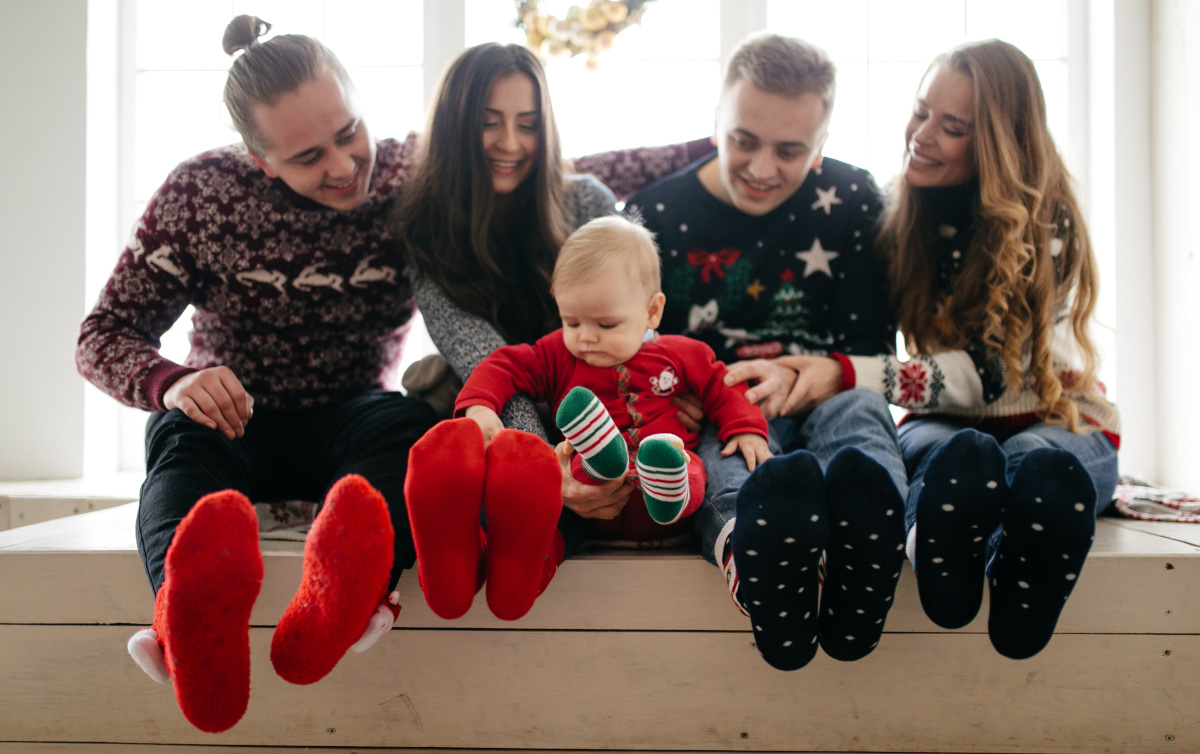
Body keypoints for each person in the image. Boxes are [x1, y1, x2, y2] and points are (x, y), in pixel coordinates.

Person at [75, 16, 438, 733]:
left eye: (350, 132)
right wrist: (173, 381)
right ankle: (181, 622)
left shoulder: (411, 174)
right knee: (180, 438)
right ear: (260, 160)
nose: (342, 165)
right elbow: (102, 335)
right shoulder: (201, 194)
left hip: (352, 415)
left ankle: (357, 596)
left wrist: (718, 146)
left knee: (410, 426)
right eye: (308, 156)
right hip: (232, 422)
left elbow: (558, 166)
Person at [789, 39, 1119, 659]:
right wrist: (722, 142)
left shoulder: (1044, 225)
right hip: (945, 426)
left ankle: (1017, 578)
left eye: (953, 127)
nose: (922, 134)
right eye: (921, 111)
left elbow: (989, 377)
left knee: (1038, 461)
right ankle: (935, 542)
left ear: (996, 143)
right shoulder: (899, 214)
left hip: (1054, 415)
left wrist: (843, 374)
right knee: (949, 455)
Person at [394, 43, 721, 619]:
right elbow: (484, 359)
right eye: (489, 124)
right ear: (454, 129)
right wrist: (548, 464)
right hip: (497, 404)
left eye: (528, 124)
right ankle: (457, 551)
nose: (511, 143)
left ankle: (490, 552)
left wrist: (669, 388)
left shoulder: (585, 201)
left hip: (592, 408)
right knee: (459, 432)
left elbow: (633, 315)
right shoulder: (425, 229)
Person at [627, 33, 908, 672]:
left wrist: (797, 377)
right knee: (720, 467)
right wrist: (685, 392)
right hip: (716, 412)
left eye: (790, 150)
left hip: (823, 392)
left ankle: (872, 537)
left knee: (861, 418)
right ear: (715, 123)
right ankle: (748, 548)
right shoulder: (655, 217)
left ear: (821, 148)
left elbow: (868, 347)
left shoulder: (855, 200)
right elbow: (629, 352)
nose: (760, 167)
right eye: (743, 140)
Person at [408, 216, 771, 620]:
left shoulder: (681, 353)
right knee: (553, 512)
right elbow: (504, 364)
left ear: (652, 311)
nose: (584, 337)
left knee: (689, 466)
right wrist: (480, 407)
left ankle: (665, 483)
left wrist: (748, 429)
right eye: (571, 321)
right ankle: (517, 573)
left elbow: (725, 386)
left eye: (606, 324)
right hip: (587, 503)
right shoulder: (559, 355)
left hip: (670, 503)